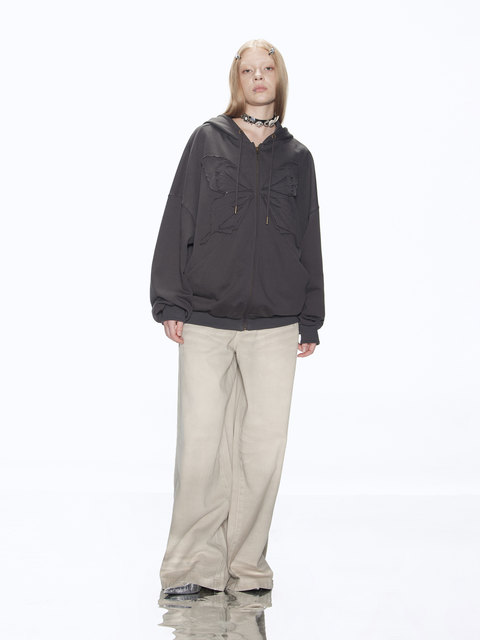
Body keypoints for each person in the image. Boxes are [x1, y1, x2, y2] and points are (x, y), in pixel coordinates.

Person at [150, 38, 325, 596]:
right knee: (201, 450)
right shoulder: (207, 141)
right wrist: (169, 300)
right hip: (206, 319)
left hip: (276, 324)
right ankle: (190, 569)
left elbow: (309, 236)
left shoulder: (298, 158)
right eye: (248, 69)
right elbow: (179, 216)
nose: (258, 77)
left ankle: (247, 568)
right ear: (237, 79)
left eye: (267, 68)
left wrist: (311, 315)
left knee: (262, 453)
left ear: (278, 77)